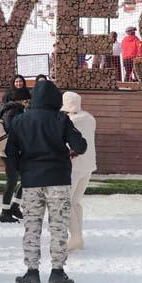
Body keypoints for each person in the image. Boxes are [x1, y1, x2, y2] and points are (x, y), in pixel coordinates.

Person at [7, 81, 87, 283]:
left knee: (32, 226)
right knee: (58, 226)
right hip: (58, 179)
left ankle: (32, 273)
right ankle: (57, 272)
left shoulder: (19, 120)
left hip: (31, 180)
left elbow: (10, 152)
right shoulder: (61, 119)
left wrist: (20, 170)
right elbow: (80, 146)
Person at [60, 91, 96, 251]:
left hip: (73, 165)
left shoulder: (69, 121)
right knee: (76, 202)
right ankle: (78, 236)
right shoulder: (89, 118)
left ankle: (76, 237)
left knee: (65, 202)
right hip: (88, 165)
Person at [0, 86, 31, 223]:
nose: (28, 103)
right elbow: (14, 131)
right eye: (26, 101)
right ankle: (5, 212)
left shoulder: (14, 110)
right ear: (20, 100)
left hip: (12, 150)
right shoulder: (12, 111)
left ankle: (14, 206)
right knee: (12, 180)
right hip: (9, 151)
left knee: (24, 178)